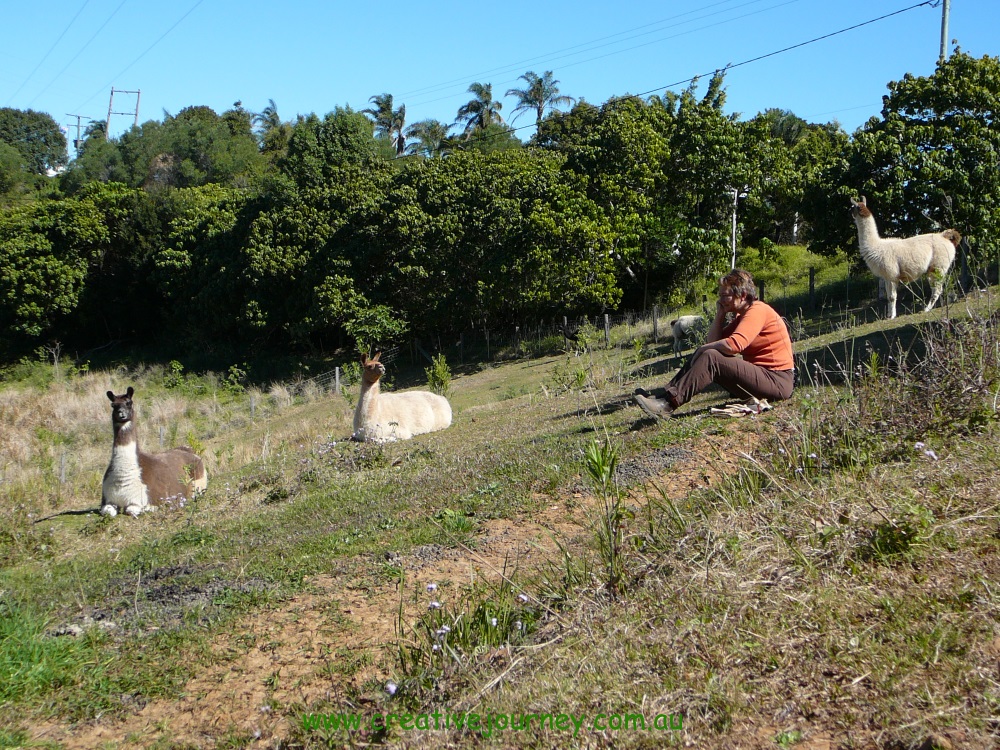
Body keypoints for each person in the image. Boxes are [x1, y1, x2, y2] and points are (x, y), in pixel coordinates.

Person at [635, 268, 794, 419]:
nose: (720, 300)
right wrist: (720, 315)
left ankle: (667, 404)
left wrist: (702, 349)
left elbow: (733, 345)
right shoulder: (742, 316)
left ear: (743, 295)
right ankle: (663, 397)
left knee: (711, 356)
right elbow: (714, 342)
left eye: (725, 295)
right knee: (709, 353)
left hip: (777, 382)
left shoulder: (757, 310)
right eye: (720, 296)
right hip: (764, 380)